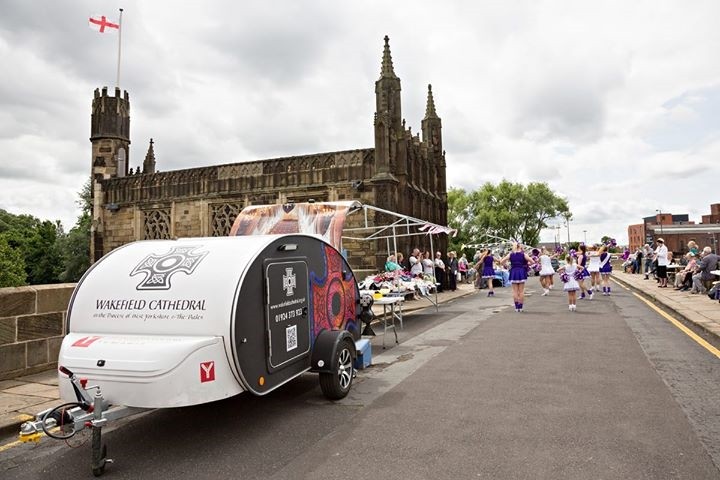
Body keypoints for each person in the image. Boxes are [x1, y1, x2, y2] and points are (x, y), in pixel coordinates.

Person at [499, 242, 535, 312]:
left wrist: (507, 265)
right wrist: (526, 265)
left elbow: (501, 261)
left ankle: (516, 307)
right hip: (521, 272)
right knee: (521, 291)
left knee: (515, 291)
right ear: (520, 247)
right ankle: (520, 307)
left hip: (513, 272)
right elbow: (533, 262)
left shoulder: (511, 254)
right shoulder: (523, 254)